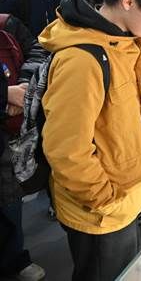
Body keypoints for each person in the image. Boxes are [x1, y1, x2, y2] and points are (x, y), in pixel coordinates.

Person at [40, 0, 141, 281]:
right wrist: (105, 200)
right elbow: (66, 150)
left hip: (128, 199)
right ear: (129, 1)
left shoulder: (123, 42)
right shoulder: (82, 59)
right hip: (102, 213)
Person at [0, 15, 49, 281]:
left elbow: (38, 48)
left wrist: (23, 87)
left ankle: (14, 258)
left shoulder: (7, 24)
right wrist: (6, 94)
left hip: (9, 131)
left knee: (9, 198)